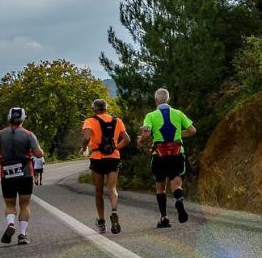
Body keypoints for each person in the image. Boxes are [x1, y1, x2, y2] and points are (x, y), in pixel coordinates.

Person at [0, 107, 44, 246]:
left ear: (9, 118)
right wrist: (36, 151)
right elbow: (39, 154)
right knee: (24, 204)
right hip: (25, 173)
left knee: (10, 204)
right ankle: (22, 234)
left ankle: (10, 224)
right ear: (23, 119)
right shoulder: (28, 134)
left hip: (7, 172)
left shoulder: (0, 134)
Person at [137, 88, 195, 228]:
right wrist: (179, 135)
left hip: (159, 155)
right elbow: (193, 130)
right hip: (177, 154)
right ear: (168, 100)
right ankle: (179, 200)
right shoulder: (178, 113)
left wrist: (140, 141)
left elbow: (146, 134)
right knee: (176, 185)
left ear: (156, 100)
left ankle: (164, 218)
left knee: (160, 188)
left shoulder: (150, 115)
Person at [81, 98, 130, 234]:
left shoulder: (89, 121)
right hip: (113, 158)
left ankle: (102, 222)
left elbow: (86, 138)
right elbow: (127, 139)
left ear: (94, 109)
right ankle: (114, 211)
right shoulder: (117, 121)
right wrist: (116, 148)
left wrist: (84, 147)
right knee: (112, 188)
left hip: (97, 158)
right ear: (106, 108)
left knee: (98, 192)